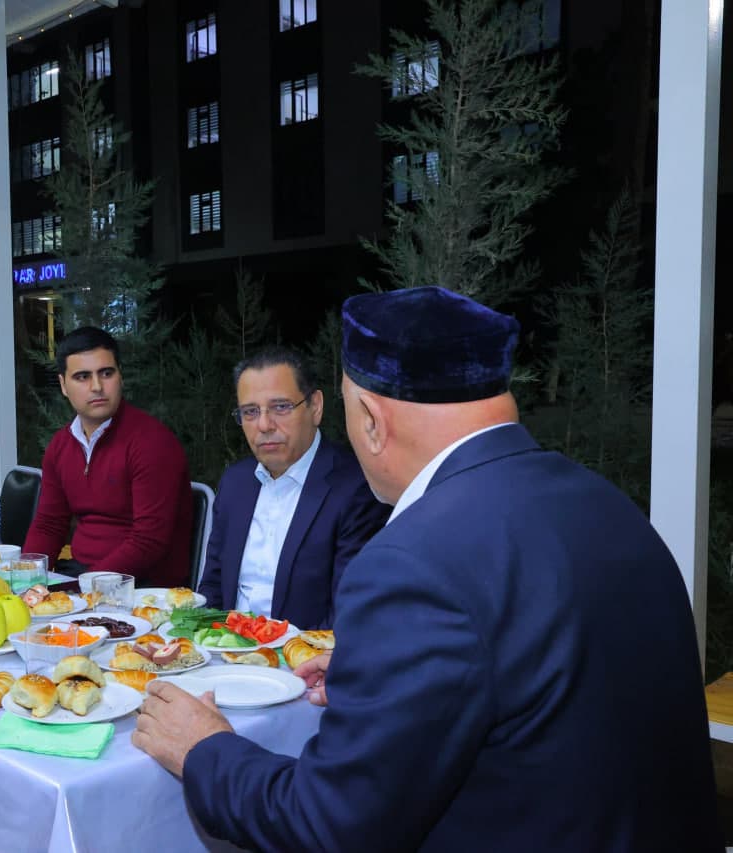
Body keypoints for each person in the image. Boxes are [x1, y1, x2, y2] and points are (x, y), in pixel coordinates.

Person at [132, 287, 721, 851]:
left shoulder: (410, 561)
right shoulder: (607, 504)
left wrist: (203, 749)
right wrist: (385, 671)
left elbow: (328, 825)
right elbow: (537, 666)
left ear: (369, 418)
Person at [197, 347, 389, 628]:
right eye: (250, 412)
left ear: (315, 407)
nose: (264, 425)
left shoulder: (357, 488)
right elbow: (212, 588)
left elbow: (349, 613)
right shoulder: (235, 482)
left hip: (304, 662)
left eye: (281, 407)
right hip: (225, 655)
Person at [24, 327, 192, 585]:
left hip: (143, 588)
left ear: (120, 376)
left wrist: (85, 587)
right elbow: (49, 524)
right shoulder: (61, 445)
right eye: (82, 377)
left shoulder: (152, 442)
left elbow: (149, 541)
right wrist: (26, 581)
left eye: (106, 373)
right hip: (81, 575)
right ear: (63, 385)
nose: (97, 387)